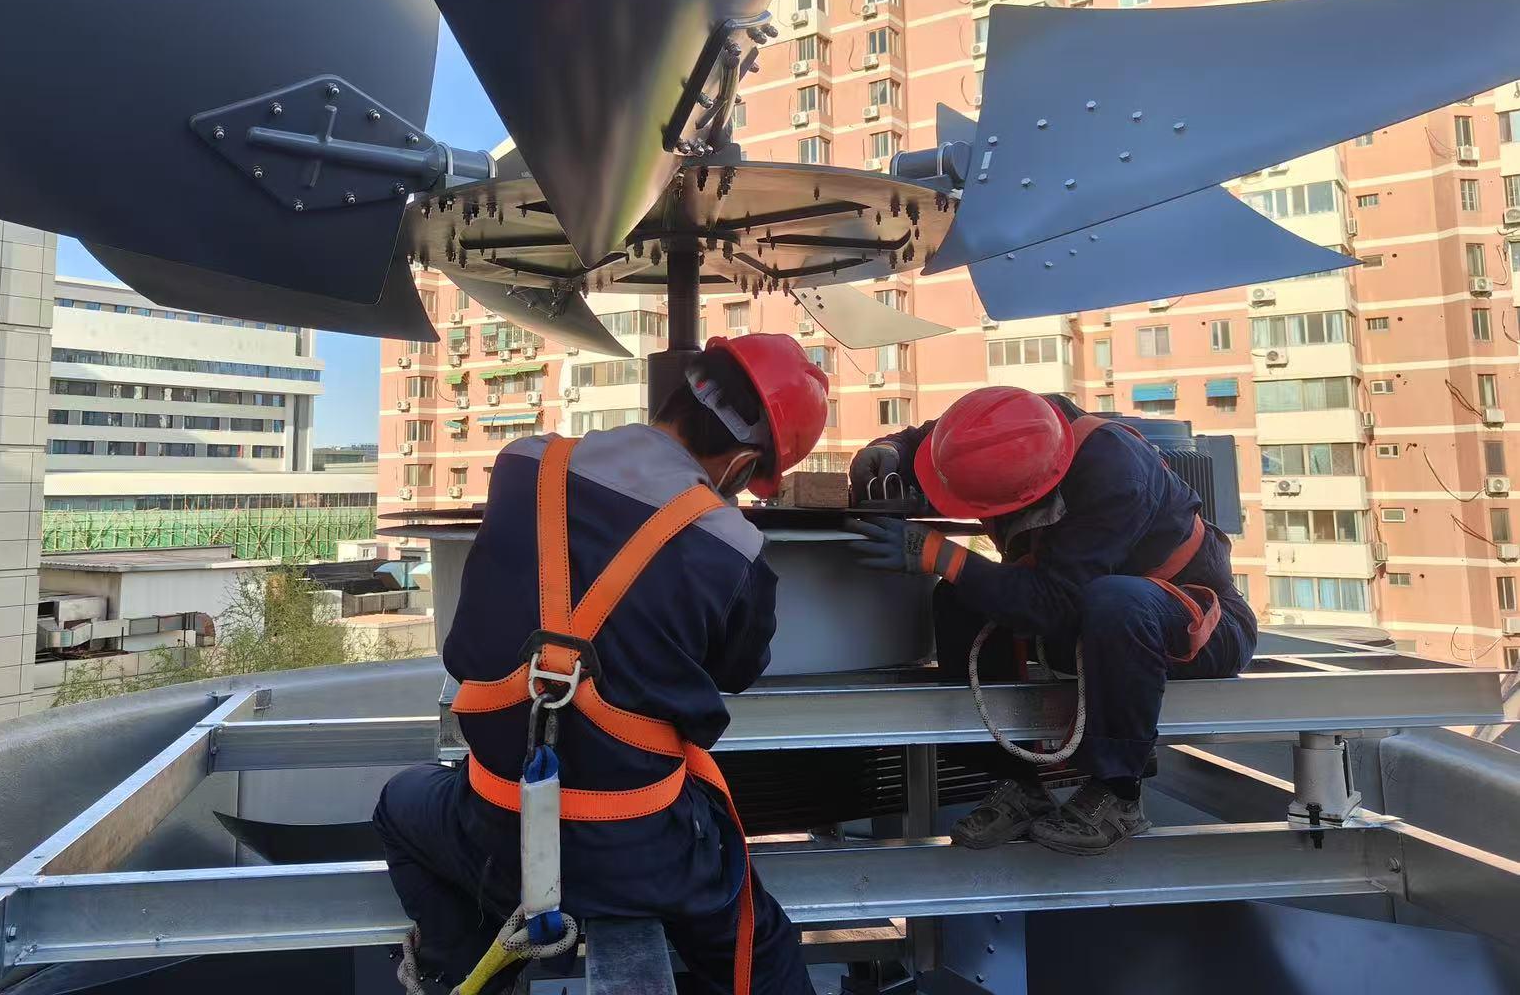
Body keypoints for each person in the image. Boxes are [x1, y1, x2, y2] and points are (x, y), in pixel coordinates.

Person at [374, 334, 829, 995]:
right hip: (646, 851)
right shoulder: (734, 549)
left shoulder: (523, 464)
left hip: (495, 831)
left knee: (399, 806)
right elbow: (734, 671)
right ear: (740, 467)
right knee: (760, 947)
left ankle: (461, 967)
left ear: (674, 397)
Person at [846, 387, 1258, 855]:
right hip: (1095, 623)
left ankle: (1119, 793)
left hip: (1192, 624)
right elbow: (928, 443)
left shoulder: (1114, 473)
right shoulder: (1008, 426)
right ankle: (1019, 787)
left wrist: (940, 554)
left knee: (1116, 599)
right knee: (957, 599)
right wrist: (891, 451)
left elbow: (1054, 604)